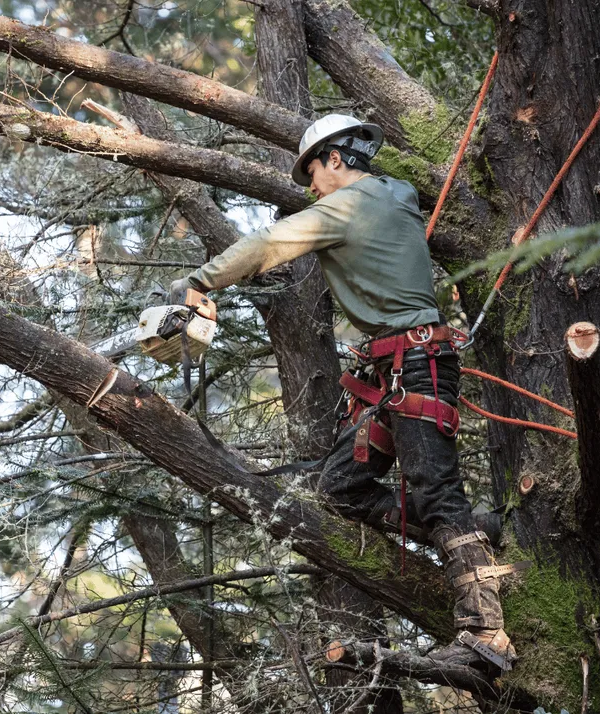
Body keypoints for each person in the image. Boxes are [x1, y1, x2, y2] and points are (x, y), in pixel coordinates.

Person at [170, 114, 520, 673]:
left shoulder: (346, 208)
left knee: (434, 489)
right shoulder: (397, 195)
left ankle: (486, 631)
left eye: (312, 172)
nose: (309, 188)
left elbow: (268, 244)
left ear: (336, 159)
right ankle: (478, 535)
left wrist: (200, 282)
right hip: (400, 369)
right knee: (340, 487)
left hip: (415, 365)